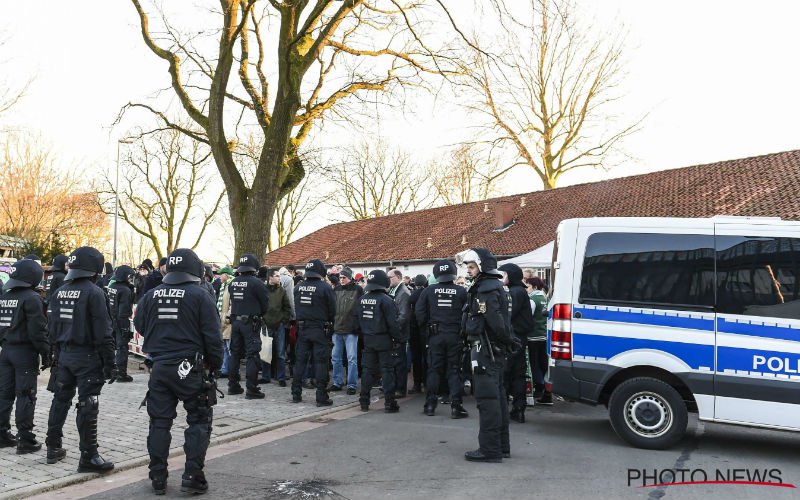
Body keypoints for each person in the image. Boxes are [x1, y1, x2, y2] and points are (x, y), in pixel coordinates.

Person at [135, 248, 224, 495]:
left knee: (159, 423)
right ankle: (192, 476)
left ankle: (158, 477)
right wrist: (214, 365)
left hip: (160, 367)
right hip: (191, 368)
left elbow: (139, 324)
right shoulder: (200, 295)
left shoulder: (151, 295)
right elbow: (213, 337)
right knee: (199, 420)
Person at [45, 246, 116, 472]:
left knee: (60, 400)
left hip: (64, 355)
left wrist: (55, 355)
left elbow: (51, 329)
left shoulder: (59, 292)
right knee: (88, 404)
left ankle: (53, 447)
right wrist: (110, 364)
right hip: (87, 357)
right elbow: (104, 333)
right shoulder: (94, 293)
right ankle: (89, 456)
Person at [459, 248, 517, 462]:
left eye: (472, 267)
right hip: (493, 350)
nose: (469, 271)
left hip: (486, 351)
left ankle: (490, 450)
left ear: (482, 267)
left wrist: (505, 340)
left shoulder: (485, 289)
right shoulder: (494, 286)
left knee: (488, 400)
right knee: (498, 398)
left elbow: (495, 322)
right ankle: (501, 446)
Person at [0, 259, 50, 453]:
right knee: (26, 396)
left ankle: (2, 434)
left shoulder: (5, 296)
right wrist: (46, 352)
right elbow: (37, 331)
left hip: (6, 351)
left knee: (4, 395)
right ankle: (25, 440)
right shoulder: (32, 298)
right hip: (24, 353)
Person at [416, 260, 469, 418]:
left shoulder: (428, 291)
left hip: (435, 335)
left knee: (433, 370)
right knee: (454, 370)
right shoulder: (461, 291)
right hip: (454, 335)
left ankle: (430, 405)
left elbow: (419, 313)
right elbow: (467, 314)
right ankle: (456, 406)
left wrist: (426, 331)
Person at [352, 270, 403, 413]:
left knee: (367, 371)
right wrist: (398, 338)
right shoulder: (386, 300)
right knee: (387, 371)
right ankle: (389, 402)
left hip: (368, 340)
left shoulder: (361, 300)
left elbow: (356, 323)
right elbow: (393, 323)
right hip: (384, 340)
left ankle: (364, 402)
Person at [291, 259, 336, 406]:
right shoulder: (325, 288)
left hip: (302, 329)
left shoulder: (298, 287)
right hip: (319, 329)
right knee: (321, 363)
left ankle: (296, 394)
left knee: (300, 362)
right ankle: (321, 396)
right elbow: (333, 311)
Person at [227, 254, 269, 399]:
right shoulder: (256, 283)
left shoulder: (233, 283)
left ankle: (233, 386)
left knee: (235, 354)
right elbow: (265, 304)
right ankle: (252, 389)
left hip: (236, 322)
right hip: (250, 323)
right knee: (253, 355)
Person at [499, 263, 535, 423]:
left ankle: (505, 409)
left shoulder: (514, 293)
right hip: (520, 338)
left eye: (504, 274)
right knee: (518, 375)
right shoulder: (520, 291)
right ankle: (518, 410)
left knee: (506, 374)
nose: (502, 278)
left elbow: (507, 315)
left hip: (513, 338)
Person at [330, 267, 363, 395]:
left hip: (351, 330)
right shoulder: (336, 290)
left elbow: (360, 309)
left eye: (344, 277)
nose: (342, 279)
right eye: (340, 277)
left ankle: (352, 384)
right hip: (337, 329)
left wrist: (357, 326)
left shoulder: (358, 290)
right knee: (335, 358)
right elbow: (332, 308)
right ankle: (337, 382)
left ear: (350, 277)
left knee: (352, 358)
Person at [261, 268, 291, 385]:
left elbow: (287, 307)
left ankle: (281, 378)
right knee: (266, 352)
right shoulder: (263, 290)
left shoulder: (282, 291)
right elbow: (259, 305)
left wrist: (283, 320)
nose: (279, 278)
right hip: (265, 325)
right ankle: (266, 376)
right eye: (277, 276)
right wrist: (262, 320)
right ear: (270, 278)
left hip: (279, 326)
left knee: (280, 353)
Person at [526, 277, 552, 405]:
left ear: (534, 287)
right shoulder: (544, 298)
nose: (527, 289)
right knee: (544, 363)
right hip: (544, 335)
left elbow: (528, 317)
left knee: (534, 363)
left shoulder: (532, 299)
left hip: (533, 336)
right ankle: (547, 391)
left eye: (528, 286)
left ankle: (540, 386)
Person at [107, 265, 136, 383]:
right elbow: (124, 311)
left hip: (109, 320)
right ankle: (121, 373)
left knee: (110, 346)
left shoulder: (112, 286)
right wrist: (125, 328)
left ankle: (108, 370)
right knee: (122, 347)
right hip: (120, 321)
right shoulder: (125, 290)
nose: (131, 279)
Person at [387, 269, 410, 397]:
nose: (388, 280)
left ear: (397, 277)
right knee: (394, 362)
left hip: (399, 333)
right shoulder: (394, 291)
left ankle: (400, 389)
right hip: (395, 332)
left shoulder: (404, 293)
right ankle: (394, 385)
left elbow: (403, 316)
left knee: (400, 362)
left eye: (390, 277)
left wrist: (393, 329)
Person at [407, 274, 428, 395]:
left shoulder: (414, 294)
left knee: (416, 358)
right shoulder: (427, 293)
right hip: (424, 329)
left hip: (414, 329)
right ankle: (426, 383)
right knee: (426, 358)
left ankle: (417, 384)